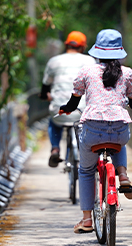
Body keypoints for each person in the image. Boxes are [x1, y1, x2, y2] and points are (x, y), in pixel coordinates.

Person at [59, 29, 132, 233]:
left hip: (93, 129)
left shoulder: (87, 71)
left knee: (86, 171)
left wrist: (67, 108)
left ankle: (87, 220)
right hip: (119, 129)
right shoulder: (128, 73)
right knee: (118, 139)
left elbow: (74, 99)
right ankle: (122, 175)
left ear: (97, 51)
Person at [40, 31, 96, 167]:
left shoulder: (54, 61)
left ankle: (55, 148)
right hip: (82, 112)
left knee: (54, 120)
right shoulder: (90, 61)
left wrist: (45, 96)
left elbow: (45, 88)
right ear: (83, 47)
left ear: (66, 45)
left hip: (60, 111)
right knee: (82, 126)